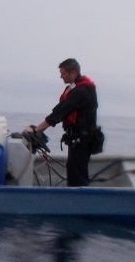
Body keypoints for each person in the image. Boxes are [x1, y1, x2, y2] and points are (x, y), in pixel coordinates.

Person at [23, 58, 99, 187]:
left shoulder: (82, 91)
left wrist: (37, 130)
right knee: (72, 169)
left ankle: (79, 202)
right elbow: (59, 109)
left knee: (77, 174)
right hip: (76, 139)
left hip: (83, 140)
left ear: (73, 73)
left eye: (63, 73)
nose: (61, 77)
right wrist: (39, 128)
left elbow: (59, 114)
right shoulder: (74, 88)